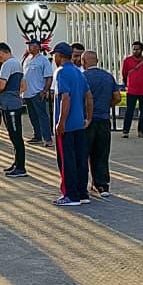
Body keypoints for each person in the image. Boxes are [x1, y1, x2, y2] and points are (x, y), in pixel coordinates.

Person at [52, 43, 92, 207]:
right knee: (80, 159)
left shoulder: (61, 72)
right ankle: (82, 192)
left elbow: (65, 98)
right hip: (79, 124)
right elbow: (88, 96)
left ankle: (70, 195)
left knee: (66, 160)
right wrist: (88, 118)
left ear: (59, 56)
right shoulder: (78, 72)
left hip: (67, 126)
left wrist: (61, 122)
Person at [81, 50, 120, 198]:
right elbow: (117, 97)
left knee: (84, 154)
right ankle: (102, 185)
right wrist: (106, 105)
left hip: (87, 120)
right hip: (104, 119)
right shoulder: (108, 77)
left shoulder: (83, 77)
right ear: (97, 61)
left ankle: (83, 185)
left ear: (84, 62)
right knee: (102, 154)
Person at [0, 43, 28, 178]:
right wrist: (16, 93)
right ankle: (17, 163)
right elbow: (23, 86)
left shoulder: (7, 65)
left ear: (2, 52)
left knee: (16, 135)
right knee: (14, 135)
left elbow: (1, 85)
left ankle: (21, 167)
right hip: (12, 103)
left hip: (10, 105)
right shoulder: (17, 64)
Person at [22, 38, 54, 148]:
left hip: (38, 92)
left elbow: (49, 77)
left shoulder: (43, 60)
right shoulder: (27, 59)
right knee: (32, 116)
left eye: (33, 45)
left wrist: (45, 90)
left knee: (42, 116)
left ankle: (47, 138)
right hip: (27, 93)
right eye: (29, 45)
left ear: (38, 47)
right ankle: (37, 136)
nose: (30, 47)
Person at [121, 41, 143, 138]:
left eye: (137, 49)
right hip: (132, 90)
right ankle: (126, 131)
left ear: (142, 50)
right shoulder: (127, 61)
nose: (135, 51)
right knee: (129, 111)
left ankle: (141, 131)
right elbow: (124, 74)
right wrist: (127, 84)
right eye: (134, 49)